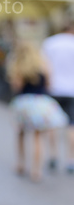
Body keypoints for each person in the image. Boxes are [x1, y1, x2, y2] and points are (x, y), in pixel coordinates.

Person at [7, 42, 68, 182]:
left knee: (20, 134)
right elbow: (49, 85)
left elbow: (16, 87)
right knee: (38, 137)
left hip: (23, 103)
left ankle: (21, 164)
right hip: (41, 103)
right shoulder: (44, 66)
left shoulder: (18, 67)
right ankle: (36, 170)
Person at [42, 24, 74, 173]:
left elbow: (43, 66)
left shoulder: (50, 43)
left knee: (51, 125)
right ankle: (71, 160)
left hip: (53, 89)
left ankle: (53, 156)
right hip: (71, 91)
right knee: (71, 126)